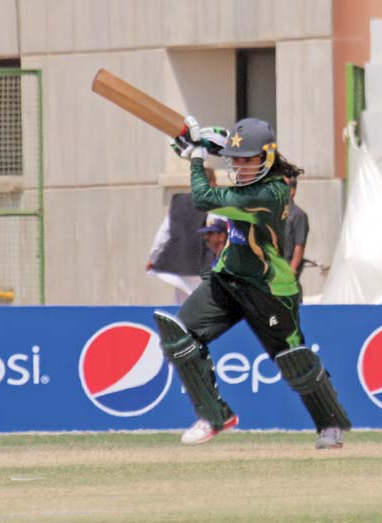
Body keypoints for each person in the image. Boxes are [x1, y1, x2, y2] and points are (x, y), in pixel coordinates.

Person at [153, 116, 351, 449]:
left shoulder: (269, 193)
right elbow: (222, 179)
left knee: (294, 360)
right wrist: (209, 143)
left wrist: (199, 157)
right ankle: (215, 416)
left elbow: (203, 199)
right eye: (236, 160)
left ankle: (330, 425)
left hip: (269, 289)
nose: (241, 167)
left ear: (268, 156)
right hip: (229, 278)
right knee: (180, 337)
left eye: (248, 159)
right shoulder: (249, 182)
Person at [146, 168, 217, 304]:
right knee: (206, 306)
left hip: (180, 264)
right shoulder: (217, 203)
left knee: (180, 307)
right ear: (213, 183)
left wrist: (153, 257)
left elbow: (163, 234)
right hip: (205, 265)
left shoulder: (179, 203)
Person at [282, 175, 309, 300]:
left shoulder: (298, 215)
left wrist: (291, 271)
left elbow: (300, 245)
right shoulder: (274, 213)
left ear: (292, 191)